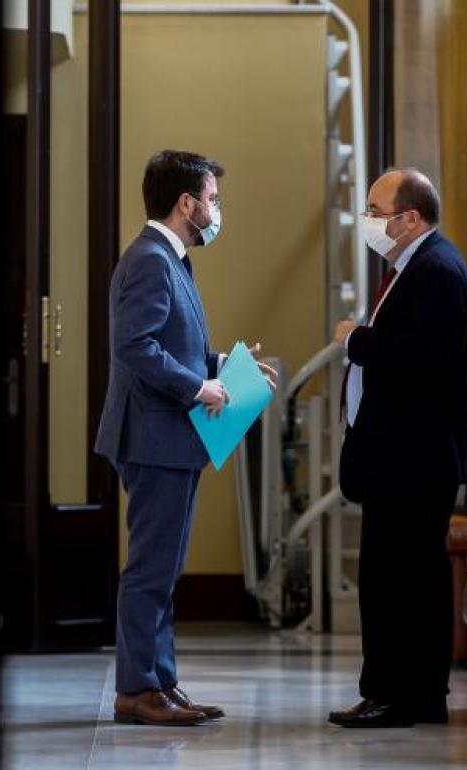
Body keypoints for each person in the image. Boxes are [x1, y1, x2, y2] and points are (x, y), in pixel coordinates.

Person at [95, 149, 276, 727]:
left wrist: (224, 367)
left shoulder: (169, 258)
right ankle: (137, 689)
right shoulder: (151, 260)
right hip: (153, 439)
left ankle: (161, 682)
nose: (217, 211)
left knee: (165, 568)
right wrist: (200, 387)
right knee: (151, 569)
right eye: (213, 200)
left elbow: (171, 342)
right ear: (186, 203)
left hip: (168, 440)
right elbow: (135, 347)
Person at [328, 168, 467, 728]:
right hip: (402, 454)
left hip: (415, 457)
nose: (368, 221)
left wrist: (356, 339)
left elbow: (421, 359)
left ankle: (397, 696)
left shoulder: (436, 270)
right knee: (399, 575)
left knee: (398, 579)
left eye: (376, 212)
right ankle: (410, 694)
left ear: (411, 218)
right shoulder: (415, 266)